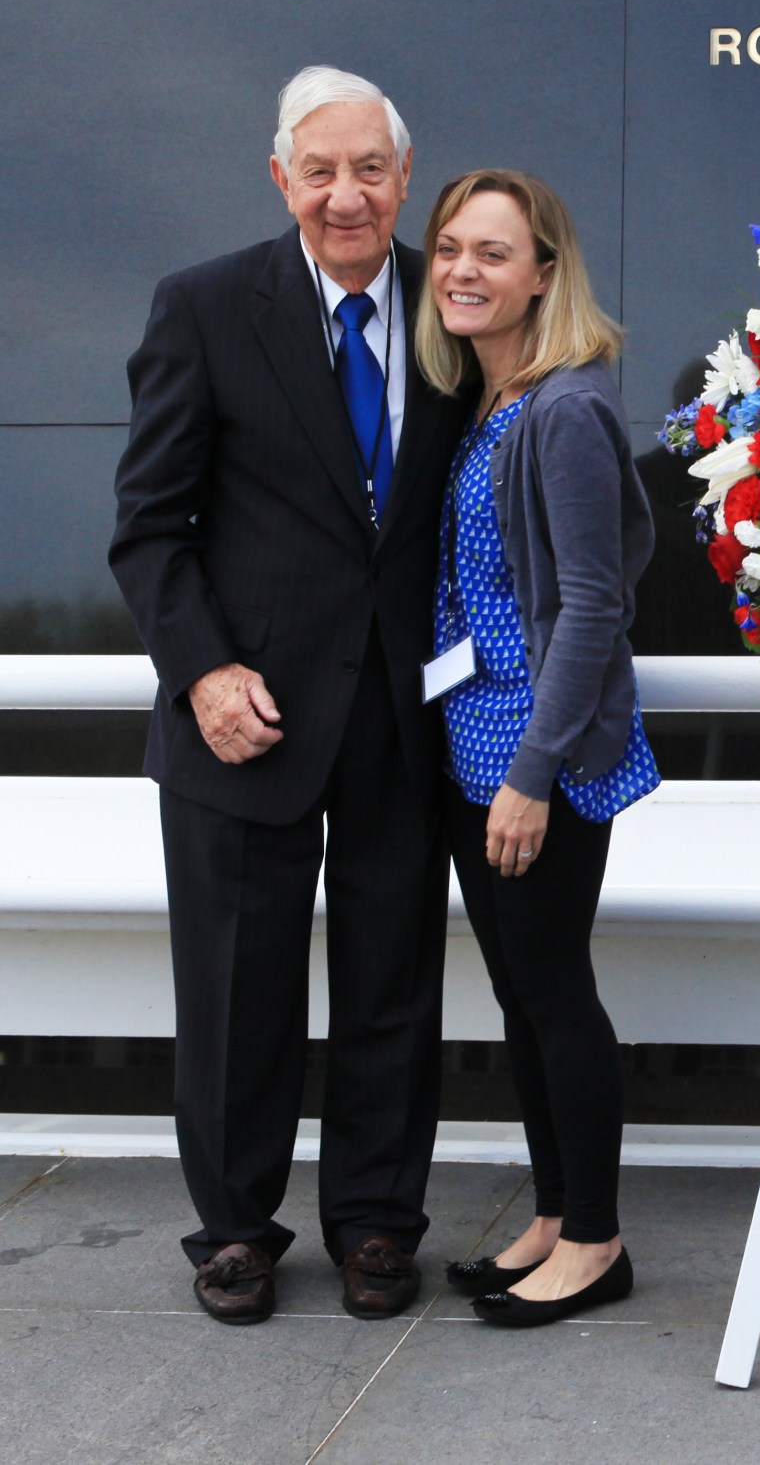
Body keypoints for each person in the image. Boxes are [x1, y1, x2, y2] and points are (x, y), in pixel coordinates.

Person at [109, 67, 470, 1324]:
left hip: (397, 716)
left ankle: (376, 1223)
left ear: (404, 174)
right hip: (239, 715)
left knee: (391, 984)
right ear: (281, 178)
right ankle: (235, 1231)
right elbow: (150, 529)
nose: (345, 194)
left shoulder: (457, 306)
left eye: (369, 168)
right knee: (232, 992)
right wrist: (203, 671)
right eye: (319, 170)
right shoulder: (205, 308)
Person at [416, 170, 656, 1327]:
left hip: (539, 757)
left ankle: (599, 1242)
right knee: (520, 993)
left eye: (494, 253)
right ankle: (556, 1217)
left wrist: (532, 774)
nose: (463, 270)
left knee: (556, 994)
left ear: (544, 275)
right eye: (450, 247)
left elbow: (594, 606)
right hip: (477, 745)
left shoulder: (563, 407)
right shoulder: (485, 398)